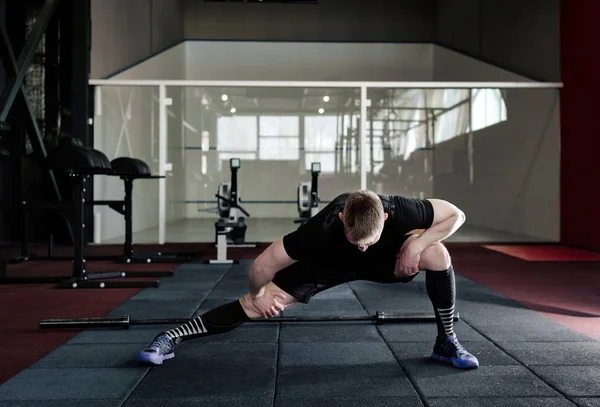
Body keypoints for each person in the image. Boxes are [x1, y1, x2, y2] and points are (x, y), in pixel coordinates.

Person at [137, 190, 479, 369]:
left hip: (387, 261)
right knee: (259, 304)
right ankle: (171, 337)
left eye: (367, 238)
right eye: (354, 237)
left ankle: (445, 341)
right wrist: (257, 294)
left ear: (386, 218)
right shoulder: (318, 231)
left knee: (437, 253)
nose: (360, 246)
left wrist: (415, 244)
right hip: (327, 263)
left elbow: (457, 214)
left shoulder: (401, 209)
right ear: (343, 218)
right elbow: (262, 264)